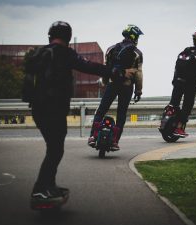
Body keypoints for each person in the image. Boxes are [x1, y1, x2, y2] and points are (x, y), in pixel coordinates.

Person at [25, 21, 126, 204]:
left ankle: (49, 186)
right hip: (54, 109)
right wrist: (111, 72)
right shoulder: (64, 53)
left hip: (38, 109)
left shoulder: (39, 53)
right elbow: (89, 67)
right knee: (55, 150)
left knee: (54, 149)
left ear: (50, 35)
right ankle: (41, 189)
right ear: (68, 37)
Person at [88, 24, 144, 151]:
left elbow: (106, 68)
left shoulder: (111, 49)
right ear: (134, 36)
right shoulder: (137, 53)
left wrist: (105, 82)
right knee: (121, 114)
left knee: (101, 110)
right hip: (127, 86)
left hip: (112, 84)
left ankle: (92, 136)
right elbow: (139, 74)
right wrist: (139, 90)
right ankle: (114, 141)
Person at [168, 26, 196, 137]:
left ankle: (167, 120)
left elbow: (177, 67)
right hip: (190, 84)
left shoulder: (186, 51)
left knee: (173, 104)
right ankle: (180, 127)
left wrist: (174, 80)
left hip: (177, 82)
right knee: (187, 106)